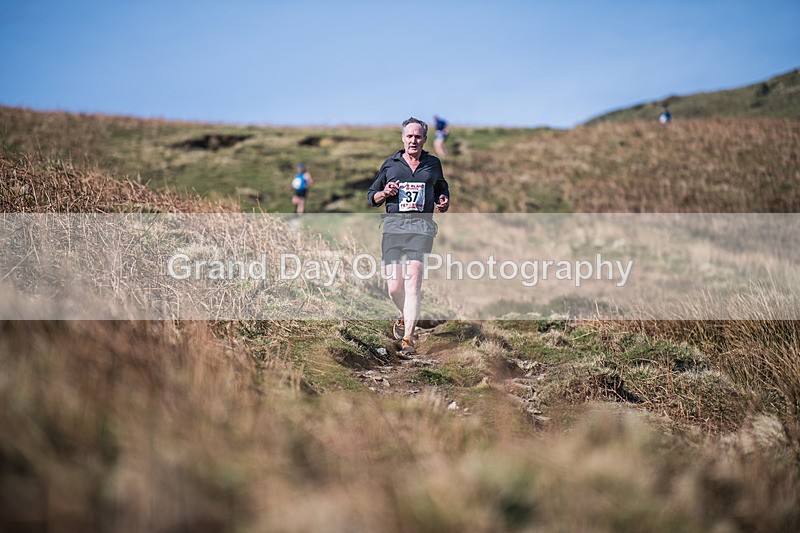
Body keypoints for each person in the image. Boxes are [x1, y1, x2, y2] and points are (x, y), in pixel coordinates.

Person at [368, 117, 450, 358]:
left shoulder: (433, 164)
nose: (413, 140)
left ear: (424, 139)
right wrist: (385, 192)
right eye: (409, 136)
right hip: (393, 228)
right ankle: (404, 314)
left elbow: (441, 187)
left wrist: (443, 200)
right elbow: (371, 196)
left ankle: (408, 338)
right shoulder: (390, 164)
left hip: (422, 229)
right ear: (403, 138)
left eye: (418, 136)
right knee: (395, 287)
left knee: (413, 281)